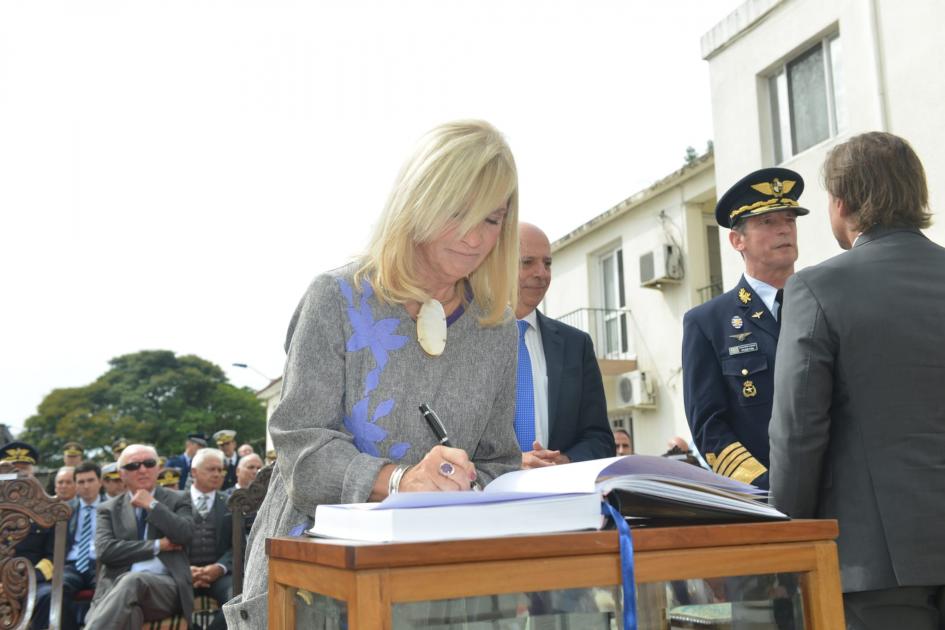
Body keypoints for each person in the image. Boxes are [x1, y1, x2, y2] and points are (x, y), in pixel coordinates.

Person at [223, 119, 523, 628]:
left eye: (492, 219)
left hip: (443, 590)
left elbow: (498, 460)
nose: (476, 238)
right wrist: (403, 481)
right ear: (417, 200)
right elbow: (303, 455)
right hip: (317, 584)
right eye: (459, 213)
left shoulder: (498, 329)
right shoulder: (335, 300)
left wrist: (474, 482)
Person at [769, 132, 945, 629]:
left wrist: (789, 537)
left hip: (878, 564)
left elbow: (798, 432)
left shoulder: (817, 287)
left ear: (842, 204)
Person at [681, 167, 808, 489]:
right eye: (768, 222)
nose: (784, 231)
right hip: (764, 496)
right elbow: (709, 426)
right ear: (737, 240)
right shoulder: (708, 322)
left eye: (789, 220)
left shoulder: (825, 304)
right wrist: (764, 485)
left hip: (841, 488)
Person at [514, 222, 615, 468]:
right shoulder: (464, 340)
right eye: (527, 262)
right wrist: (511, 463)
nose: (542, 273)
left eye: (547, 263)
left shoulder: (575, 345)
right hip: (485, 497)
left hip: (559, 497)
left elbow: (599, 439)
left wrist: (564, 460)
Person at [84, 444, 194, 629]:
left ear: (158, 468)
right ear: (121, 474)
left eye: (149, 463)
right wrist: (158, 545)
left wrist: (153, 506)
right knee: (130, 613)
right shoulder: (108, 509)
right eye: (133, 466)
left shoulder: (179, 498)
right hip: (116, 592)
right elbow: (106, 551)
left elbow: (185, 534)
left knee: (133, 580)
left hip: (165, 589)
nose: (143, 469)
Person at [1, 441, 55, 627]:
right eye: (14, 471)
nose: (19, 477)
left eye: (24, 471)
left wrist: (29, 578)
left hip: (31, 580)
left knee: (47, 596)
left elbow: (52, 557)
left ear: (33, 475)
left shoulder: (47, 510)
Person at [51, 461, 104, 630]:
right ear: (75, 485)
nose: (86, 486)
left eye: (90, 480)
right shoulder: (65, 510)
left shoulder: (111, 508)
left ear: (100, 482)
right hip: (73, 564)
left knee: (106, 590)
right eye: (81, 482)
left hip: (101, 563)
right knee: (59, 588)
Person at [187, 448, 233, 630]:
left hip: (220, 576)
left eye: (219, 470)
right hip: (183, 574)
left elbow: (238, 547)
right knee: (166, 599)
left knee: (238, 597)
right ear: (194, 472)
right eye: (210, 469)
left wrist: (219, 568)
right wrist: (185, 570)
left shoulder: (231, 503)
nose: (217, 474)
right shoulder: (175, 501)